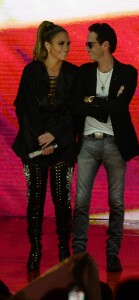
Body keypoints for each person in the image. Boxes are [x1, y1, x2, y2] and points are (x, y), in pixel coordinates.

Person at [71, 23, 139, 272]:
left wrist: (91, 100)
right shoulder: (82, 73)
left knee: (117, 202)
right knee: (81, 202)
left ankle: (113, 254)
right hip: (88, 143)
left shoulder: (128, 72)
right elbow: (76, 107)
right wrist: (106, 103)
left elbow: (120, 108)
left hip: (115, 144)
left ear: (105, 45)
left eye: (90, 44)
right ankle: (78, 256)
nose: (86, 48)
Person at [12, 20, 78, 272]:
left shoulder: (73, 73)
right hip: (34, 144)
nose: (67, 48)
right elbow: (24, 109)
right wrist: (42, 137)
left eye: (68, 44)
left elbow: (75, 112)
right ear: (48, 46)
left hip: (62, 145)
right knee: (35, 199)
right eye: (62, 44)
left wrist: (56, 137)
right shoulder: (31, 72)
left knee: (63, 200)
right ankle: (35, 248)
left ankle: (64, 249)